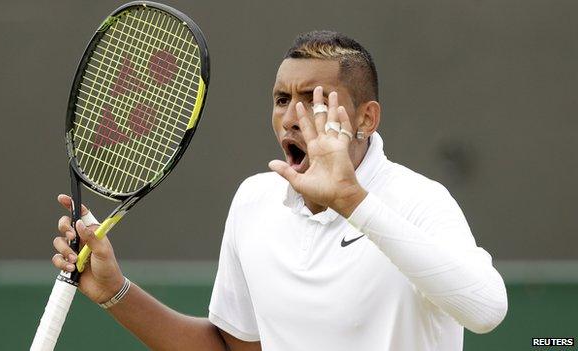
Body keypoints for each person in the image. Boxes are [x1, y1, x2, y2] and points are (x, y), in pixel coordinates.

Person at [52, 30, 507, 350]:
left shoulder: (420, 201)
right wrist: (115, 291)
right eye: (282, 99)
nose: (291, 116)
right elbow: (234, 348)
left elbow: (486, 310)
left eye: (313, 99)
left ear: (366, 119)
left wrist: (351, 201)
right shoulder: (254, 201)